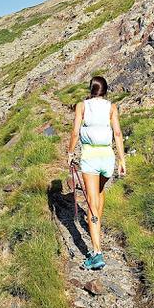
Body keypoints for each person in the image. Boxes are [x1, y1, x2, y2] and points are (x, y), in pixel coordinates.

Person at [67, 75, 126, 270]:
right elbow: (117, 133)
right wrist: (122, 160)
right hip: (108, 158)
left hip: (90, 157)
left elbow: (75, 132)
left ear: (91, 89)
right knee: (99, 193)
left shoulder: (81, 106)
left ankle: (97, 253)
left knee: (91, 204)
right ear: (106, 90)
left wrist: (69, 152)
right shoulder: (112, 107)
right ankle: (97, 224)